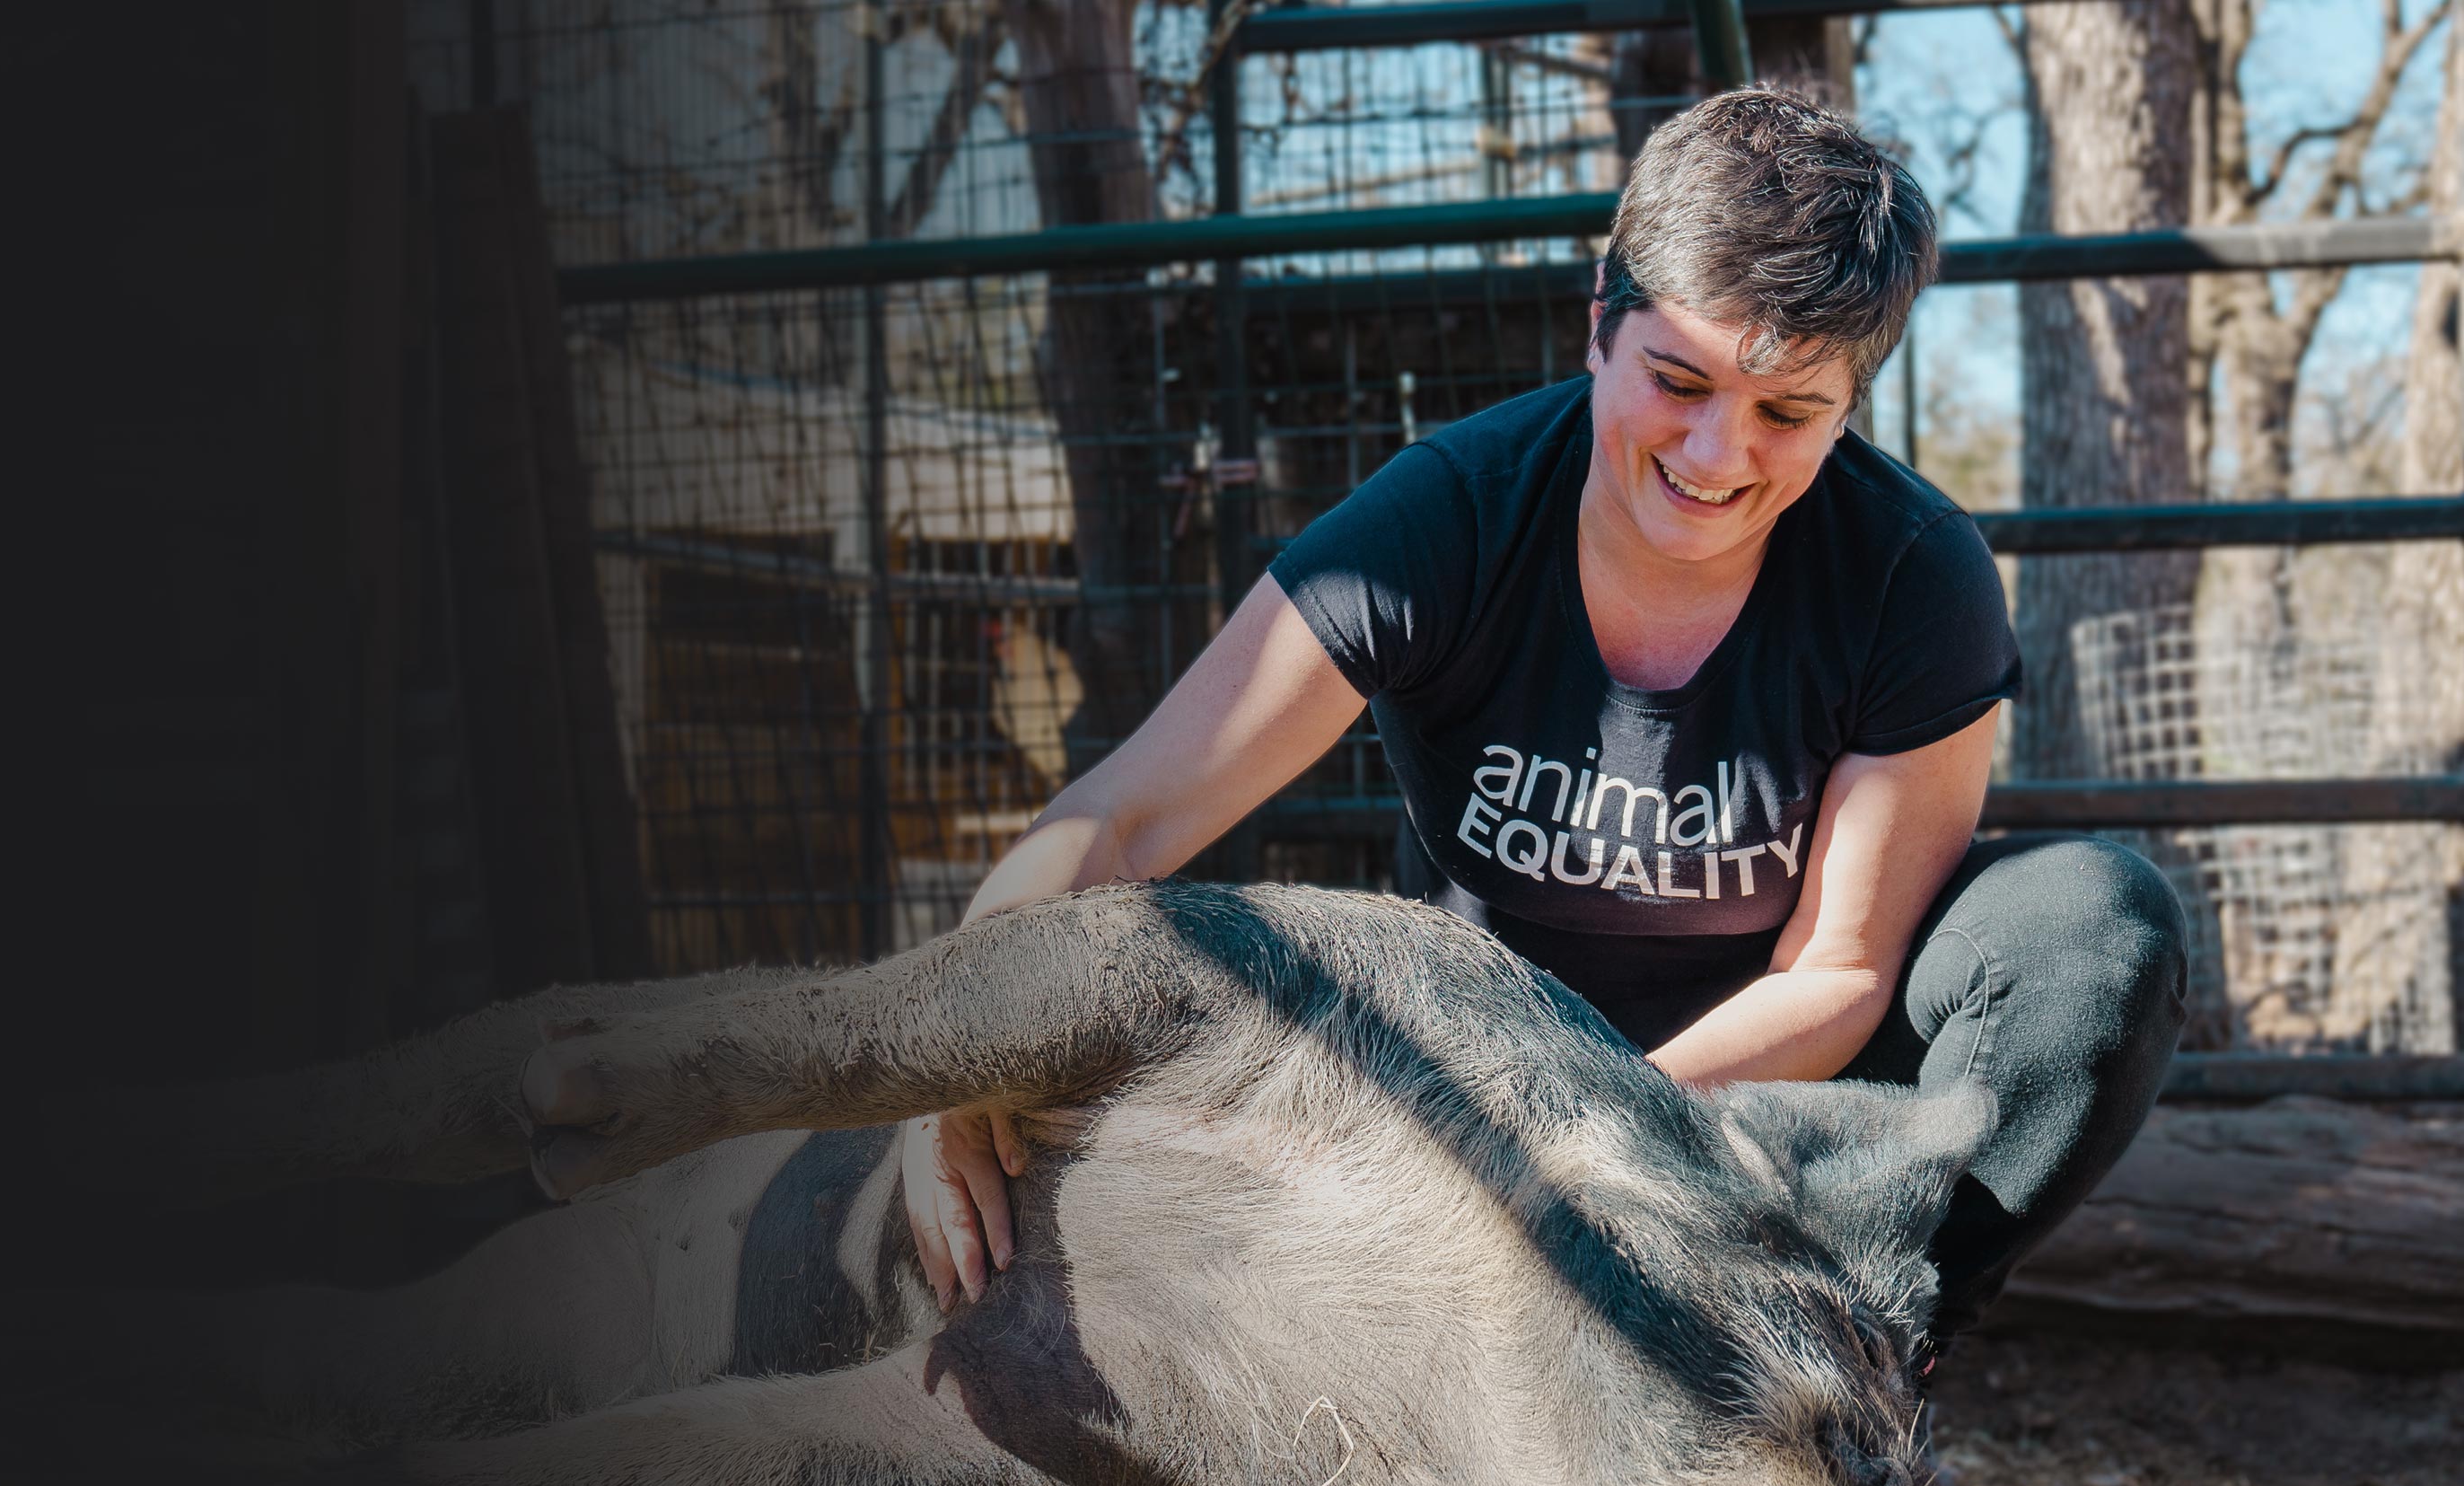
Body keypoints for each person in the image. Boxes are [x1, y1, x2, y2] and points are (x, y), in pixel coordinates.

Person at [902, 88, 2187, 1361]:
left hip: (1765, 1111)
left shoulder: (1915, 570)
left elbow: (1837, 970)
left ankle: (1864, 1371)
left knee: (2094, 923)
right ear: (1600, 328)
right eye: (1675, 379)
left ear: (1850, 403)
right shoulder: (1448, 514)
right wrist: (943, 1050)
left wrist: (1603, 1147)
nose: (1716, 452)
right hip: (1477, 1079)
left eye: (1789, 412)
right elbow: (1127, 812)